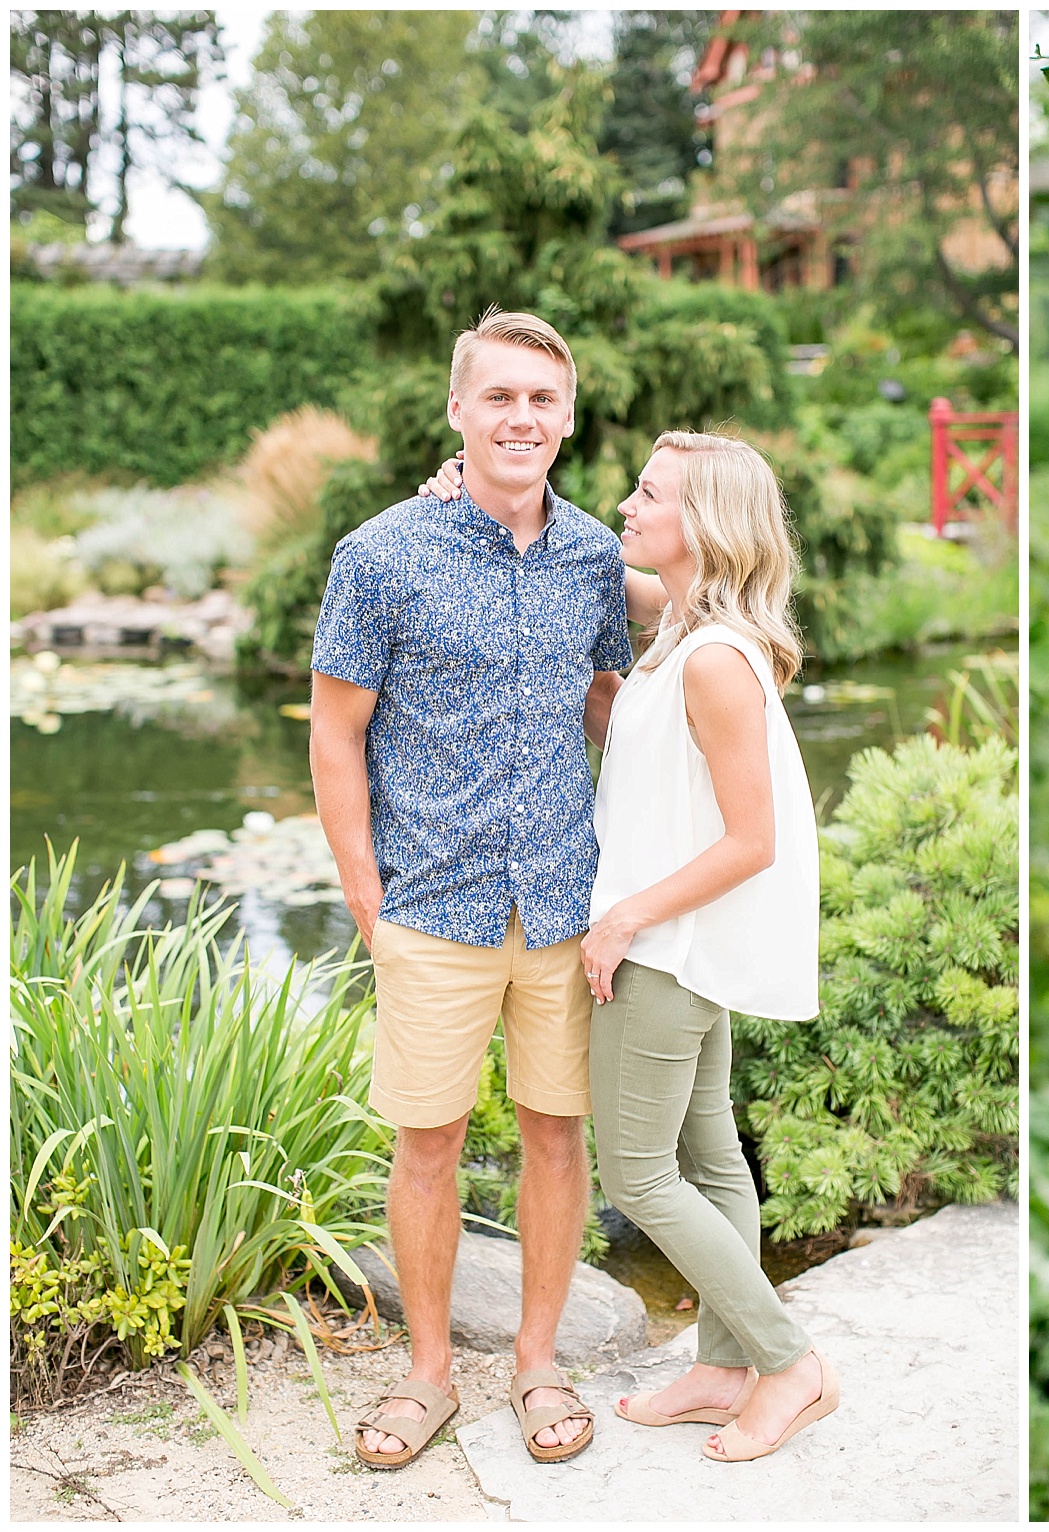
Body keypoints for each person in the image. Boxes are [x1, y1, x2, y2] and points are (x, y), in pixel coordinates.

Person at [418, 433, 838, 1461]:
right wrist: (467, 491)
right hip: (683, 945)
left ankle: (788, 1363)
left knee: (642, 1177)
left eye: (649, 493)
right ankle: (722, 1363)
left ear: (701, 525)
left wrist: (622, 917)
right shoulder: (685, 625)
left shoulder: (716, 661)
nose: (627, 502)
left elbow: (753, 838)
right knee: (711, 1158)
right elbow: (584, 562)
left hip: (663, 947)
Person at [310, 308, 626, 1468]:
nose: (520, 418)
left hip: (561, 900)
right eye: (498, 396)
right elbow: (335, 732)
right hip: (431, 901)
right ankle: (430, 1373)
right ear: (458, 410)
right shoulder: (380, 554)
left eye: (542, 400)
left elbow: (610, 699)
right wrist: (364, 893)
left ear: (568, 418)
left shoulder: (596, 556)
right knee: (427, 1142)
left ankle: (538, 1361)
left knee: (554, 1133)